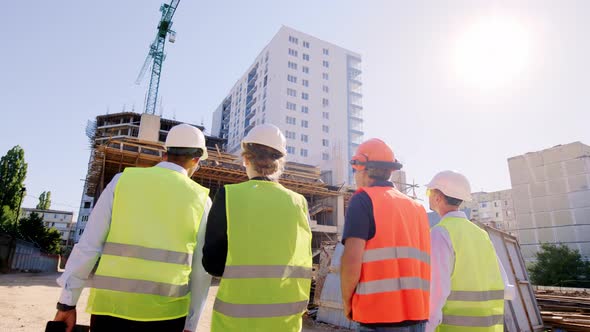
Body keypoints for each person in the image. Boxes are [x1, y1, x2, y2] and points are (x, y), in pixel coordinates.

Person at [53, 124, 212, 332]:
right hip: (167, 316)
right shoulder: (201, 199)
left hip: (110, 310)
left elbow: (88, 245)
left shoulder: (121, 182)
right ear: (196, 160)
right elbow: (201, 272)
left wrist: (67, 303)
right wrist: (191, 323)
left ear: (165, 154)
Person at [202, 123, 312, 331]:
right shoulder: (299, 202)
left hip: (236, 321)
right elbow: (303, 261)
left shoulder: (229, 195)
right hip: (285, 321)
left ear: (246, 158)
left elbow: (213, 264)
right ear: (279, 163)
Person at [340, 138, 431, 332]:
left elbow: (351, 261)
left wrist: (348, 303)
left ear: (362, 168)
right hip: (418, 316)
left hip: (378, 317)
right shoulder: (417, 208)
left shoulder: (363, 200)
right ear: (390, 170)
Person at [425, 170, 514, 332]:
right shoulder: (481, 234)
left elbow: (436, 290)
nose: (428, 196)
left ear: (438, 197)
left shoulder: (440, 233)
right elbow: (506, 288)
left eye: (429, 192)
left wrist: (427, 328)